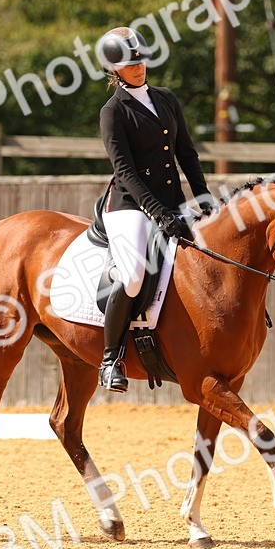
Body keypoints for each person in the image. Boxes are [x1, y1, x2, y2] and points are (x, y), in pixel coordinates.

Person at [94, 26, 214, 393]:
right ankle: (111, 358)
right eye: (131, 64)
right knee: (132, 275)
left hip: (172, 202)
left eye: (142, 60)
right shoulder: (113, 111)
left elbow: (187, 153)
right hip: (130, 206)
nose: (139, 67)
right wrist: (158, 213)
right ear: (114, 71)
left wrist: (203, 195)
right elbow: (125, 171)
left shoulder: (166, 99)